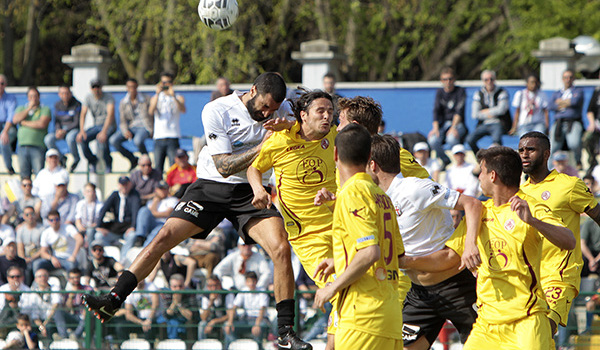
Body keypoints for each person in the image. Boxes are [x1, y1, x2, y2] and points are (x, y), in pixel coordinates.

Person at [83, 72, 311, 350]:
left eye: (273, 110)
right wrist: (267, 145)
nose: (267, 114)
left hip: (251, 190)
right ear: (252, 91)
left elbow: (316, 123)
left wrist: (292, 123)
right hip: (211, 187)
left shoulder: (284, 109)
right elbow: (225, 166)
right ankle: (113, 300)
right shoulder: (218, 109)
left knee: (281, 248)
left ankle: (285, 333)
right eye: (264, 107)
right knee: (163, 236)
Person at [405, 146, 576, 349]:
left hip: (526, 320)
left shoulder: (531, 207)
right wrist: (404, 261)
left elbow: (569, 241)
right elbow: (449, 257)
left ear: (493, 176)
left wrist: (533, 221)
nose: (479, 178)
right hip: (487, 324)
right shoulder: (480, 212)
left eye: (481, 173)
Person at [367, 134, 482, 349]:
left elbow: (473, 204)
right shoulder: (378, 198)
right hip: (420, 294)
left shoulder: (414, 188)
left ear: (372, 165)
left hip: (456, 288)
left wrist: (470, 246)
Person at [247, 90, 337, 347]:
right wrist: (258, 189)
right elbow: (254, 168)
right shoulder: (279, 141)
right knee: (341, 289)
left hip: (341, 225)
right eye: (321, 111)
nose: (327, 116)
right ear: (303, 115)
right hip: (307, 236)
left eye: (330, 111)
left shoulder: (333, 135)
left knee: (357, 285)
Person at [312, 124, 404, 349]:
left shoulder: (351, 193)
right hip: (389, 316)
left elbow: (370, 252)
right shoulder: (382, 196)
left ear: (335, 154)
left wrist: (331, 288)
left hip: (362, 316)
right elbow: (395, 255)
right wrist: (340, 261)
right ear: (370, 156)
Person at [518, 131, 600, 345]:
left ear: (546, 154)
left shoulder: (570, 185)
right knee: (532, 338)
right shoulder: (519, 192)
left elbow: (598, 215)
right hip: (530, 276)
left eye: (530, 150)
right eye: (521, 150)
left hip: (561, 272)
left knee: (544, 327)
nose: (524, 155)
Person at [336, 96, 430, 179]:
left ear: (354, 126)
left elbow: (431, 189)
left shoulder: (394, 155)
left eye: (341, 121)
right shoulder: (345, 159)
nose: (338, 128)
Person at [428, 67, 468, 168]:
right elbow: (436, 111)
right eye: (445, 79)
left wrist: (453, 127)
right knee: (432, 140)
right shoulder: (439, 92)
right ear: (441, 81)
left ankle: (459, 164)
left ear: (454, 79)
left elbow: (459, 112)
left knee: (451, 139)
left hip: (458, 124)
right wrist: (435, 128)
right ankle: (446, 160)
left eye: (450, 79)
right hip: (443, 125)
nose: (448, 81)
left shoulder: (460, 91)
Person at [110, 78, 152, 171]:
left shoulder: (146, 99)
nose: (132, 89)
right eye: (129, 87)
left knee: (138, 141)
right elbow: (122, 120)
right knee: (113, 140)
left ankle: (147, 162)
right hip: (132, 127)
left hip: (144, 126)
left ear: (137, 87)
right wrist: (125, 131)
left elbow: (152, 115)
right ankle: (132, 159)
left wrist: (152, 129)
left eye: (133, 87)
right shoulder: (123, 102)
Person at [149, 72, 186, 174]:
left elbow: (183, 109)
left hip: (172, 136)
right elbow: (151, 111)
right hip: (159, 137)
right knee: (158, 169)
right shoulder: (155, 97)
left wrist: (173, 96)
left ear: (172, 83)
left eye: (168, 82)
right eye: (164, 82)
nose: (166, 85)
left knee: (173, 167)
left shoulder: (178, 97)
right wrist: (157, 93)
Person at [466, 70, 510, 155]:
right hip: (484, 124)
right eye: (486, 80)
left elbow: (502, 110)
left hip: (498, 123)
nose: (489, 82)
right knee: (469, 140)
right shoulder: (478, 93)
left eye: (491, 79)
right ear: (483, 81)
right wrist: (493, 113)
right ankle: (481, 159)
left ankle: (497, 161)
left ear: (495, 79)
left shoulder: (502, 92)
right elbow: (475, 114)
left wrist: (486, 111)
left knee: (496, 142)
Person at [76, 79, 116, 173]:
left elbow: (110, 115)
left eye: (98, 87)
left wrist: (104, 132)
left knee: (102, 140)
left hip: (109, 125)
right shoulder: (88, 98)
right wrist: (82, 131)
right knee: (83, 139)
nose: (96, 89)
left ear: (101, 87)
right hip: (97, 125)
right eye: (94, 87)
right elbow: (83, 114)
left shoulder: (108, 97)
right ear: (91, 88)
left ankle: (108, 163)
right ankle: (93, 161)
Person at [95, 176, 141, 256]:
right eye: (122, 185)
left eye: (126, 184)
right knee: (98, 236)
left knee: (132, 236)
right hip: (115, 227)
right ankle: (110, 258)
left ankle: (123, 260)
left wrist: (133, 226)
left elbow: (135, 212)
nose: (124, 187)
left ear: (130, 185)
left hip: (127, 227)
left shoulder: (134, 195)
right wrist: (99, 226)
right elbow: (104, 209)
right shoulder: (115, 195)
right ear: (119, 185)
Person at [12, 86, 51, 179]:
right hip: (22, 147)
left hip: (38, 147)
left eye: (35, 96)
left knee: (39, 175)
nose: (33, 98)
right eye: (31, 96)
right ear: (27, 98)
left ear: (39, 97)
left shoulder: (44, 109)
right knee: (24, 176)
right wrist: (29, 108)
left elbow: (42, 124)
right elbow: (15, 120)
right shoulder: (21, 108)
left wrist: (24, 122)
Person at [224, 271, 270, 348]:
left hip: (260, 320)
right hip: (246, 320)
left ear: (256, 281)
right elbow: (234, 307)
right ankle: (236, 347)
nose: (251, 283)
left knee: (259, 328)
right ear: (246, 282)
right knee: (226, 326)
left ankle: (258, 347)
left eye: (253, 281)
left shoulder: (262, 291)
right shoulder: (243, 290)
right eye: (249, 281)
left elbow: (262, 309)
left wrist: (257, 324)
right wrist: (230, 321)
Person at [549, 69, 584, 168]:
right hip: (559, 122)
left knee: (574, 143)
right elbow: (551, 105)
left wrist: (560, 102)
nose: (568, 80)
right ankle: (549, 168)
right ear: (562, 79)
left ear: (573, 78)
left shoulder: (578, 91)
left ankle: (578, 161)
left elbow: (575, 102)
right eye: (565, 77)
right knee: (553, 146)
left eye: (570, 77)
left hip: (573, 121)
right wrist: (566, 102)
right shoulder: (557, 93)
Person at [45, 84, 81, 172]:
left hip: (72, 130)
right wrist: (58, 130)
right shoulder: (57, 105)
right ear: (59, 94)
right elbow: (57, 121)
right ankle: (61, 158)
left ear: (70, 93)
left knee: (70, 138)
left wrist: (64, 130)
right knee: (48, 139)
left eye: (66, 93)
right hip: (61, 130)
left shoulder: (77, 104)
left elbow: (76, 123)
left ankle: (76, 158)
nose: (65, 95)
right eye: (62, 93)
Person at [134, 180, 178, 247]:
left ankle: (145, 248)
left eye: (165, 189)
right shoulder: (152, 201)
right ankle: (140, 237)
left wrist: (154, 213)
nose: (162, 191)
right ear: (156, 190)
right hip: (151, 223)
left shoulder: (172, 200)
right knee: (143, 210)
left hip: (163, 224)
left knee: (158, 230)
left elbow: (167, 213)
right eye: (161, 189)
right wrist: (155, 201)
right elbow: (147, 214)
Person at [54, 268, 93, 339]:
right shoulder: (67, 292)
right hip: (74, 317)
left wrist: (86, 309)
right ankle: (63, 336)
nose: (75, 280)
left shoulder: (87, 289)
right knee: (58, 312)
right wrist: (70, 297)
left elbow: (92, 303)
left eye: (77, 277)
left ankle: (75, 336)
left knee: (88, 313)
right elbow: (67, 309)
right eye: (72, 278)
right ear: (69, 279)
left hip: (85, 317)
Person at [156, 273, 197, 339]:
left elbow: (190, 316)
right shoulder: (166, 294)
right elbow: (167, 315)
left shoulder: (190, 294)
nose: (178, 289)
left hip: (185, 321)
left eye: (180, 286)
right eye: (175, 287)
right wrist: (174, 303)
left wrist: (179, 304)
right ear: (170, 287)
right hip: (171, 320)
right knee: (163, 324)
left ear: (184, 286)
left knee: (190, 324)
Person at [198, 275, 233, 340]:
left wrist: (214, 321)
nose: (214, 288)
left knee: (227, 326)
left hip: (223, 321)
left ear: (220, 285)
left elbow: (229, 315)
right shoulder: (205, 296)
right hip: (209, 322)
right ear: (208, 287)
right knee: (202, 325)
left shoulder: (227, 294)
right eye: (211, 286)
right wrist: (210, 303)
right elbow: (203, 317)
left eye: (216, 285)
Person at [16, 206, 44, 285]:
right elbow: (20, 247)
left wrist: (31, 258)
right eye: (27, 214)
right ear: (24, 216)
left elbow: (43, 249)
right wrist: (23, 259)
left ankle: (36, 287)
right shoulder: (20, 230)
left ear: (35, 215)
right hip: (25, 258)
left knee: (35, 265)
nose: (30, 216)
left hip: (38, 257)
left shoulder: (42, 229)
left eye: (32, 214)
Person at [29, 269, 60, 339]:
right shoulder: (33, 293)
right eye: (40, 276)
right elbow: (34, 316)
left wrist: (45, 324)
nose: (42, 278)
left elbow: (55, 305)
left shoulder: (54, 288)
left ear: (48, 278)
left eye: (44, 276)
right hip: (39, 322)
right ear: (36, 279)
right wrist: (41, 326)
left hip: (51, 320)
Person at [0, 74, 17, 175]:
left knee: (3, 141)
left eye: (2, 83)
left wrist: (5, 131)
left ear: (5, 85)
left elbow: (11, 117)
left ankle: (9, 167)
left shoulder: (11, 98)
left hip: (8, 126)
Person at [584, 71, 600, 175]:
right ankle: (592, 161)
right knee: (587, 137)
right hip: (597, 124)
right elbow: (590, 111)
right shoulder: (597, 91)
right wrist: (592, 123)